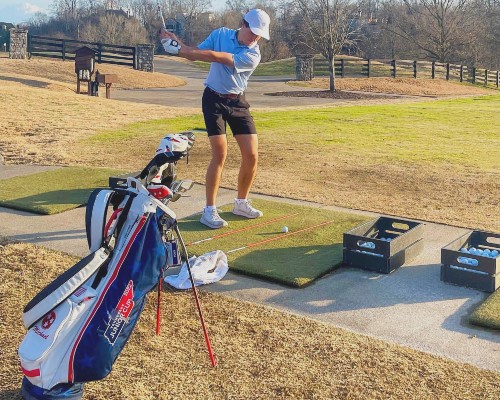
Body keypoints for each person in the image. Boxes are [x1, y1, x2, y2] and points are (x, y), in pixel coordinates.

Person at [160, 9, 271, 229]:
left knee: (252, 154)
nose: (255, 38)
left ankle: (240, 203)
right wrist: (175, 43)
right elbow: (196, 53)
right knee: (220, 154)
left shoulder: (253, 55)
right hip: (213, 100)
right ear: (243, 24)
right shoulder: (220, 34)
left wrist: (178, 50)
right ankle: (209, 210)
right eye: (253, 32)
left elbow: (215, 57)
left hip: (238, 102)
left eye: (260, 35)